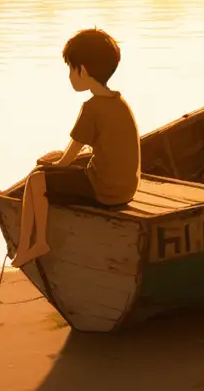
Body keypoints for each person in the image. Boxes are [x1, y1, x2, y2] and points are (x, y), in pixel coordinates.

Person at [10, 27, 141, 267]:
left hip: (105, 190)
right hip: (127, 187)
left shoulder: (92, 107)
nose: (70, 76)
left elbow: (68, 157)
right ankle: (30, 244)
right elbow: (86, 145)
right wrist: (65, 158)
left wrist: (53, 164)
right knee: (57, 166)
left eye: (71, 69)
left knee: (37, 180)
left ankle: (33, 245)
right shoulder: (119, 102)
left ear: (83, 70)